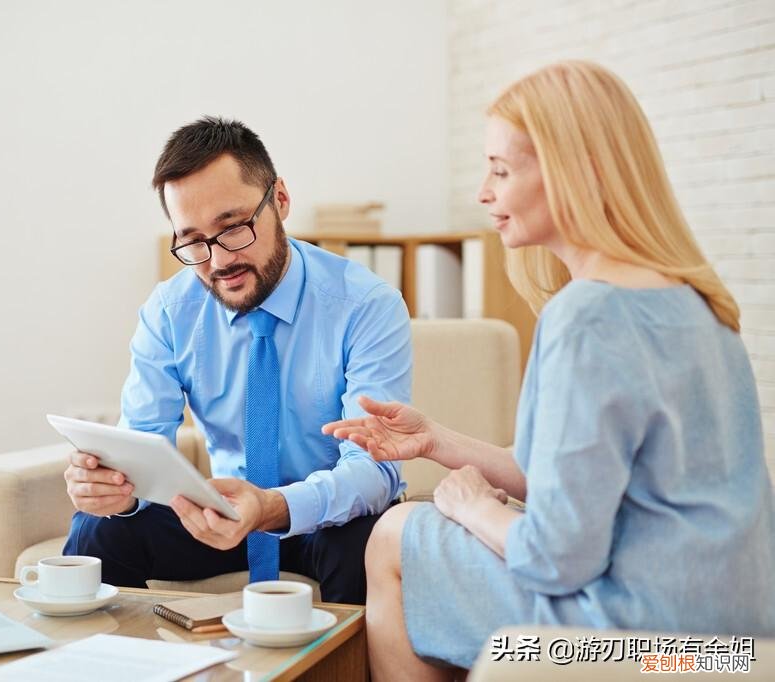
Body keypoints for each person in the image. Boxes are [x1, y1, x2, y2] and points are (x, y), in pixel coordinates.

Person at [324, 60, 775, 678]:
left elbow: (557, 558)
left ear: (576, 173)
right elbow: (576, 484)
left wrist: (476, 508)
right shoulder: (699, 303)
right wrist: (436, 443)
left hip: (639, 646)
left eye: (501, 171)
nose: (484, 193)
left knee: (396, 535)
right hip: (734, 638)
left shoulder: (587, 316)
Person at [62, 116, 412, 604]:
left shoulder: (366, 305)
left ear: (281, 200)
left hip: (330, 517)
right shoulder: (170, 312)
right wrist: (116, 492)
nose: (219, 261)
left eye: (233, 228)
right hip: (224, 512)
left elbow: (374, 471)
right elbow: (143, 447)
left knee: (367, 541)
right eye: (193, 241)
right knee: (99, 532)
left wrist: (273, 506)